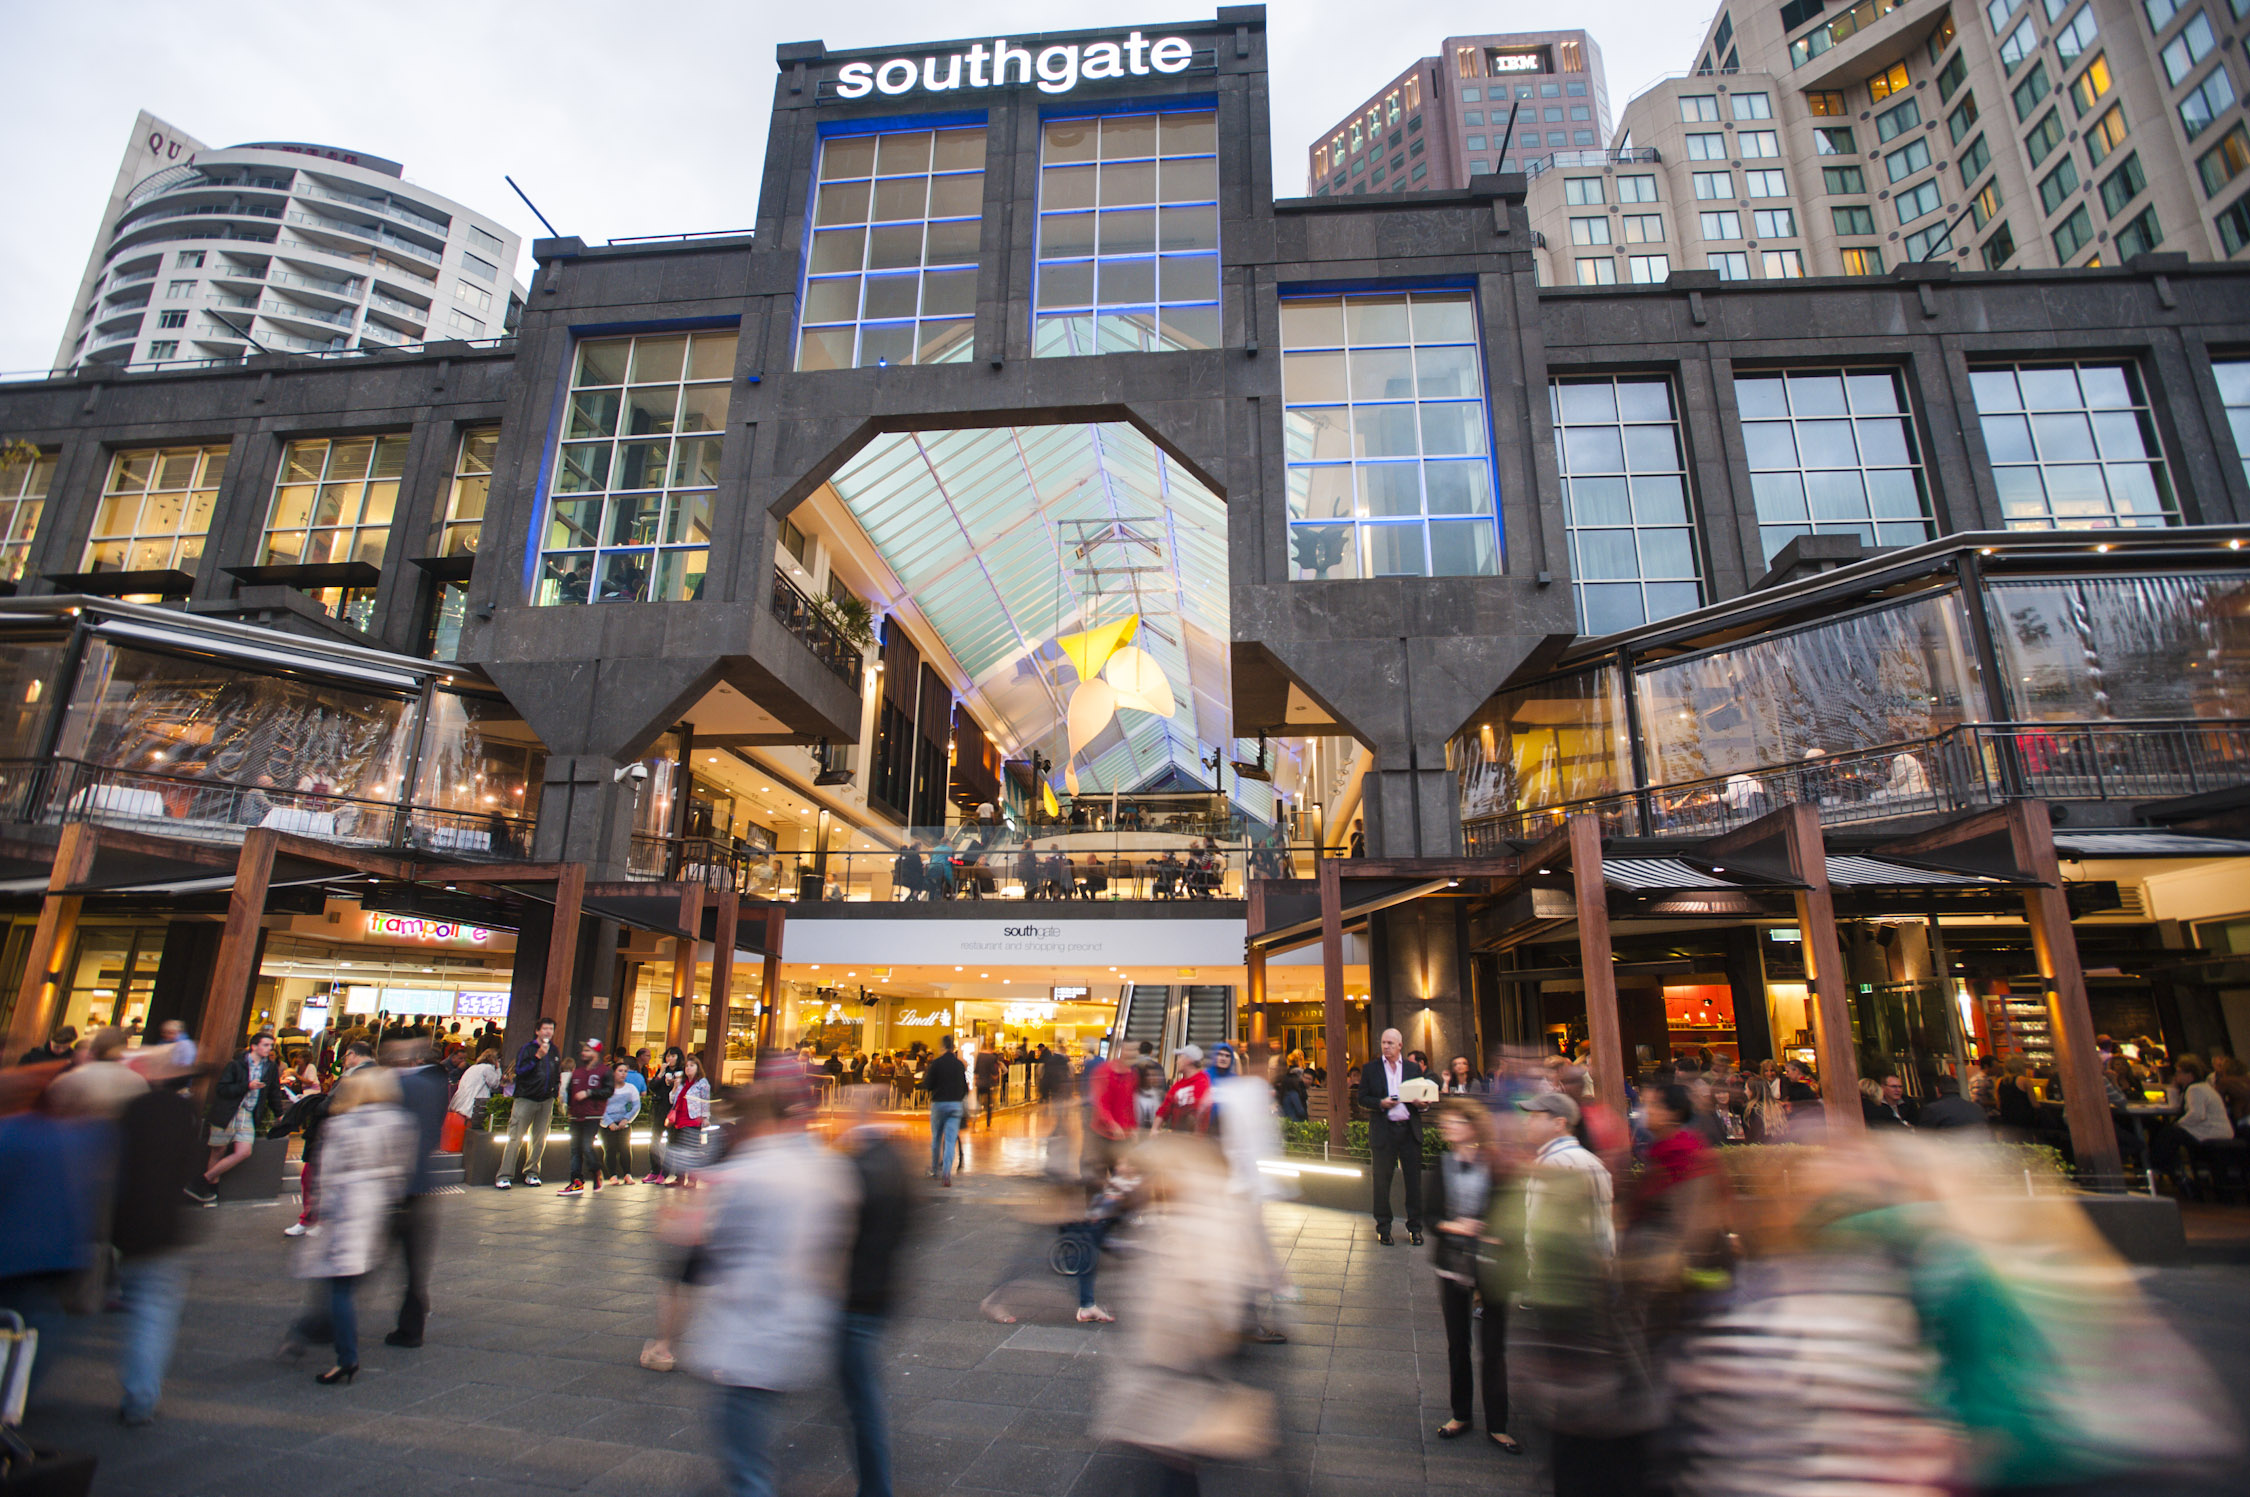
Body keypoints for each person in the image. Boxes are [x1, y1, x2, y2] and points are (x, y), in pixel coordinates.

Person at [683, 1069, 857, 1497]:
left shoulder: (750, 1171)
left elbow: (710, 1241)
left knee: (743, 1444)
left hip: (751, 1325)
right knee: (752, 1435)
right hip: (800, 1317)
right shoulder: (823, 1165)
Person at [281, 1063, 412, 1386]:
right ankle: (311, 1337)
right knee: (345, 1284)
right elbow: (400, 1172)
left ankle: (344, 1355)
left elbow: (327, 1173)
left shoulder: (343, 1124)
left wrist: (320, 1210)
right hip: (375, 1211)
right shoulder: (398, 1122)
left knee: (337, 1286)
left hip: (345, 1212)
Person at [109, 1056, 203, 1425]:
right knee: (152, 1315)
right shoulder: (185, 1113)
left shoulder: (132, 1109)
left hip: (126, 1222)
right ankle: (140, 1397)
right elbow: (190, 1165)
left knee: (142, 1308)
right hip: (165, 1225)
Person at [836, 1087, 916, 1497]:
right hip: (879, 1289)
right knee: (859, 1394)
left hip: (857, 1294)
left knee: (862, 1400)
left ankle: (876, 1488)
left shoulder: (861, 1165)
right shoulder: (897, 1159)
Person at [1430, 1098, 1516, 1452]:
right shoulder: (1442, 1164)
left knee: (1493, 1345)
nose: (1447, 1127)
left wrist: (1489, 1230)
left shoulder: (1494, 1164)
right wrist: (1456, 1226)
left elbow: (1507, 1212)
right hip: (1453, 1262)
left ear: (1472, 1126)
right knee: (1458, 1342)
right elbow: (1431, 1215)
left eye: (1454, 1122)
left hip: (1491, 1264)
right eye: (1446, 1122)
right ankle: (1461, 1413)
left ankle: (1498, 1424)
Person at [383, 1035, 449, 1349]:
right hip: (421, 1185)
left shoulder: (394, 1086)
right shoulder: (433, 1086)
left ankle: (323, 1323)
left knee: (362, 1261)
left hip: (392, 1186)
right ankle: (412, 1327)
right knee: (414, 1265)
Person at [188, 1031, 278, 1203]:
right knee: (218, 1150)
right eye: (265, 1045)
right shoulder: (236, 1065)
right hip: (228, 1111)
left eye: (270, 1046)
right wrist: (247, 1086)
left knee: (244, 1151)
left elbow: (273, 1091)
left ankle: (202, 1181)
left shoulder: (270, 1067)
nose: (269, 1049)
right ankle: (210, 1190)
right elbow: (222, 1089)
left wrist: (279, 1113)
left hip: (247, 1112)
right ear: (254, 1046)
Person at [1358, 1027, 1428, 1246]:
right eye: (1383, 1043)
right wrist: (1381, 1103)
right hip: (1384, 1130)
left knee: (1414, 1183)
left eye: (1390, 1043)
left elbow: (1422, 1097)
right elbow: (1362, 1097)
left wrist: (1422, 1104)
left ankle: (1415, 1228)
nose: (1386, 1047)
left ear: (1400, 1045)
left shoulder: (1412, 1068)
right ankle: (1383, 1227)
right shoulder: (1371, 1069)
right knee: (1381, 1181)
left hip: (1409, 1130)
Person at [2152, 1057, 2235, 1192]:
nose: (2176, 1076)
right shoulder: (2202, 1087)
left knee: (2169, 1133)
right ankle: (2169, 1168)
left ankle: (2161, 1164)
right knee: (2170, 1133)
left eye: (2179, 1072)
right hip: (2218, 1130)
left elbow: (2197, 1115)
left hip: (2210, 1131)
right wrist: (2173, 1088)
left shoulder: (2195, 1089)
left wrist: (2179, 1124)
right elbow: (2176, 1106)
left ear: (2189, 1074)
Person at [497, 1017, 562, 1189]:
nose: (548, 1032)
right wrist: (537, 1057)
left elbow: (556, 1073)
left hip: (546, 1099)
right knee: (515, 1137)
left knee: (540, 1139)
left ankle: (532, 1172)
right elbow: (520, 1070)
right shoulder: (527, 1049)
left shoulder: (554, 1050)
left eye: (551, 1029)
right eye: (545, 1028)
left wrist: (555, 1092)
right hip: (526, 1098)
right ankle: (504, 1175)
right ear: (537, 1031)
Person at [560, 1040, 612, 1195]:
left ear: (596, 1053)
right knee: (575, 1149)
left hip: (592, 1115)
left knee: (586, 1145)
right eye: (583, 1050)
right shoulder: (577, 1072)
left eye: (588, 1050)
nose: (584, 1053)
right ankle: (576, 1181)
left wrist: (589, 1093)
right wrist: (569, 1108)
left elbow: (608, 1091)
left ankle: (596, 1170)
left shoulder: (604, 1071)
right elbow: (569, 1091)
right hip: (576, 1115)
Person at [924, 1034, 969, 1186]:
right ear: (953, 1047)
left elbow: (928, 1084)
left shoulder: (936, 1063)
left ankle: (934, 1169)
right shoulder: (959, 1065)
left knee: (936, 1138)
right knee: (950, 1140)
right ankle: (946, 1174)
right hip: (955, 1105)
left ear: (942, 1046)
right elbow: (965, 1088)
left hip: (939, 1104)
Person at [663, 1055, 711, 1185]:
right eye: (687, 1066)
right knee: (679, 1151)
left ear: (698, 1067)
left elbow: (705, 1101)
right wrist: (675, 1087)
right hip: (679, 1119)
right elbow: (672, 1099)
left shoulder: (702, 1083)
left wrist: (705, 1117)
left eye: (692, 1066)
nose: (688, 1068)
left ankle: (692, 1179)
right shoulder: (682, 1083)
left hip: (693, 1119)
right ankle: (679, 1178)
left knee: (692, 1150)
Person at [601, 1061, 642, 1184]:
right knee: (610, 1149)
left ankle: (627, 1174)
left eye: (625, 1071)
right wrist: (609, 1123)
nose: (623, 1074)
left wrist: (626, 1119)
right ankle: (612, 1176)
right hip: (607, 1125)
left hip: (623, 1123)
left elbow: (636, 1106)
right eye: (620, 1071)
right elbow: (599, 1107)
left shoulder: (631, 1088)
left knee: (625, 1149)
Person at [1157, 1044, 1211, 1131]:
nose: (1177, 1062)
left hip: (1194, 1137)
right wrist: (1154, 1129)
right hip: (1179, 1136)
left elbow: (1198, 1114)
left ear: (1188, 1060)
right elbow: (1164, 1109)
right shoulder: (1178, 1085)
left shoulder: (1202, 1082)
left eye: (1180, 1057)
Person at [1915, 1074, 1991, 1133]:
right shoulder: (1977, 1108)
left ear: (1937, 1090)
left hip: (1951, 1147)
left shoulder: (1932, 1110)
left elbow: (1923, 1137)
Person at [974, 1041, 1002, 1129]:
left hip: (979, 1083)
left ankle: (974, 1122)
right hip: (987, 1083)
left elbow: (976, 1072)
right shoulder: (992, 1057)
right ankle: (988, 1123)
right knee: (989, 1104)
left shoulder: (979, 1056)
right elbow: (994, 1073)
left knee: (977, 1102)